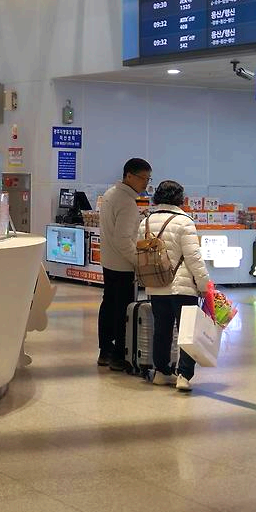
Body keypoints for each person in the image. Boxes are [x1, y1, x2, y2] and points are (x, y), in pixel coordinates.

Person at [143, 180, 212, 393]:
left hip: (156, 285)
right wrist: (204, 284)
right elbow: (193, 258)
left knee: (162, 330)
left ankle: (161, 372)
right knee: (188, 332)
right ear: (179, 198)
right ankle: (183, 375)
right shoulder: (184, 222)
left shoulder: (146, 222)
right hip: (182, 286)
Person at [97, 158, 152, 370]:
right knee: (123, 311)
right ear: (128, 176)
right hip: (122, 265)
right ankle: (119, 356)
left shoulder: (110, 194)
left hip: (109, 261)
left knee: (108, 305)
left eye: (148, 179)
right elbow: (123, 240)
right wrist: (138, 261)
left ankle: (105, 351)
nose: (145, 183)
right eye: (142, 178)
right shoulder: (127, 203)